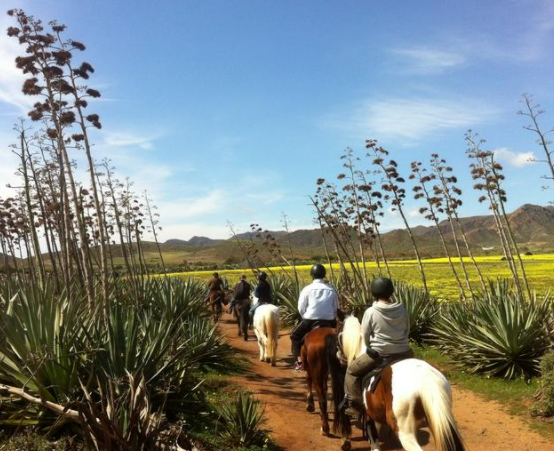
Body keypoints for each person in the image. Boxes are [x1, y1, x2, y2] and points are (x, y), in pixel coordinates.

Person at [343, 277, 413, 418]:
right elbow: (407, 330)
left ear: (373, 293)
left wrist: (371, 347)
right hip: (404, 353)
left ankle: (355, 407)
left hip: (380, 354)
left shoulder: (371, 312)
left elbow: (365, 335)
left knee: (351, 372)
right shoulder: (402, 309)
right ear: (391, 292)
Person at [290, 264, 339, 372]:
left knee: (295, 336)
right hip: (329, 320)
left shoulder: (307, 289)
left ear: (312, 275)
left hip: (310, 319)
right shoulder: (331, 290)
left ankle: (300, 362)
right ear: (324, 275)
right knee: (340, 338)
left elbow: (301, 307)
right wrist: (331, 316)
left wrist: (305, 316)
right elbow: (336, 308)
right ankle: (339, 360)